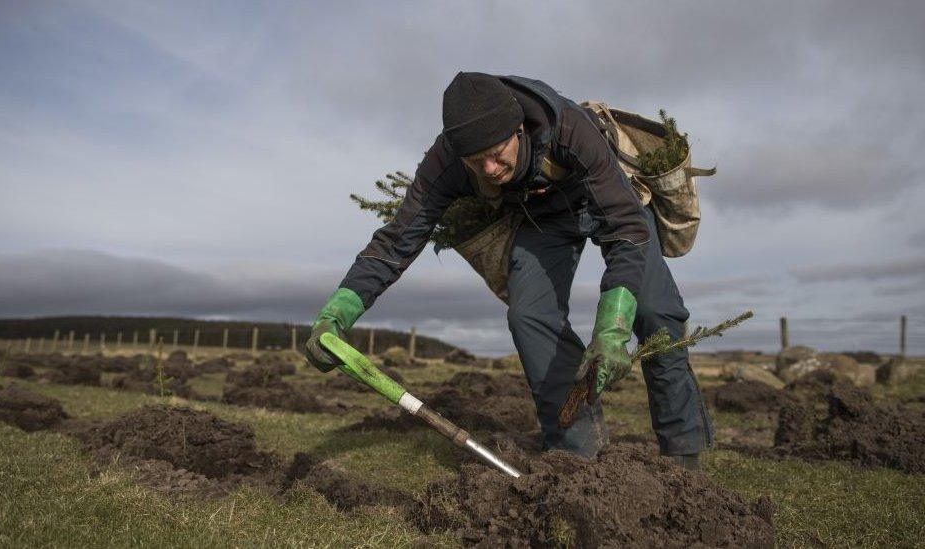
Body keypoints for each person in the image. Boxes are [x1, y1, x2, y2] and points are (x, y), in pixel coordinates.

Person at [305, 72, 712, 469]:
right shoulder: (446, 162)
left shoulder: (569, 128)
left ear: (518, 128)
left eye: (496, 153)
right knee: (529, 316)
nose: (489, 170)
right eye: (474, 161)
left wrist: (612, 328)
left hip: (610, 200)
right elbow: (397, 241)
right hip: (542, 218)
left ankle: (683, 452)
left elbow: (626, 228)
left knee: (655, 311)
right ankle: (576, 454)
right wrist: (336, 314)